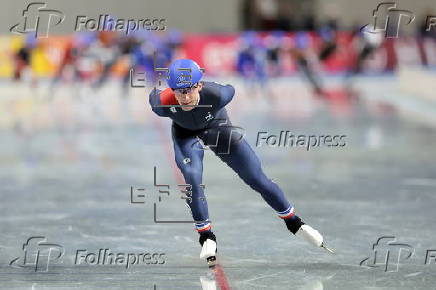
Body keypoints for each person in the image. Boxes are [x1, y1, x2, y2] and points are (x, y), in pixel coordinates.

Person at [148, 59, 332, 267]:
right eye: (179, 91)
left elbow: (231, 88)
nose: (185, 97)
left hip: (218, 129)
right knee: (192, 178)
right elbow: (152, 95)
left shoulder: (218, 95)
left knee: (256, 178)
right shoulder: (162, 104)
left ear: (200, 85)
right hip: (184, 135)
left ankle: (294, 222)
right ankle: (206, 237)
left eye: (189, 89)